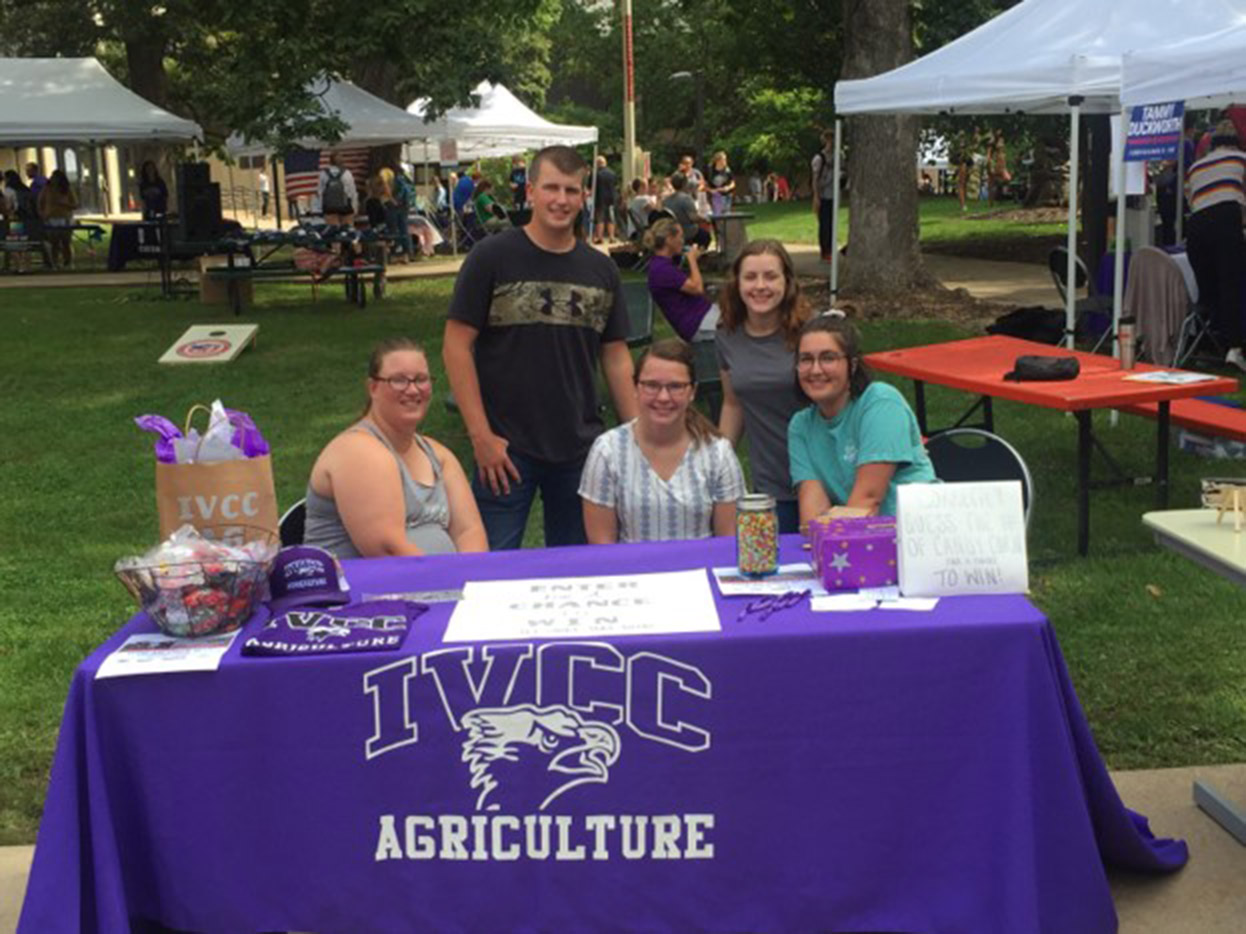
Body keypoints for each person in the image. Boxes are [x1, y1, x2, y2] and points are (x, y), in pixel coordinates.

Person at [442, 144, 637, 550]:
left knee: (577, 575)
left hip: (580, 448)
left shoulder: (601, 270)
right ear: (530, 191)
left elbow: (616, 358)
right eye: (551, 188)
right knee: (488, 572)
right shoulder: (490, 257)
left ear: (584, 197)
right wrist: (480, 436)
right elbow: (456, 346)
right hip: (504, 447)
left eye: (571, 190)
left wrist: (637, 435)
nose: (561, 200)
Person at [304, 337, 487, 559]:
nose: (412, 390)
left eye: (421, 379)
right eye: (399, 380)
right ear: (373, 388)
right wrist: (447, 581)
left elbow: (469, 531)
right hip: (371, 589)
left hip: (440, 587)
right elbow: (387, 550)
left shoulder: (438, 454)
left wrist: (470, 578)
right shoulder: (358, 451)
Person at [579, 339, 745, 543]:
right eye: (652, 385)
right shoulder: (607, 451)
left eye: (676, 386)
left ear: (692, 391)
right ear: (636, 387)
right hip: (630, 573)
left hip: (698, 570)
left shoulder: (718, 453)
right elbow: (601, 546)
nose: (663, 397)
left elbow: (727, 544)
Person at [788, 316, 935, 522]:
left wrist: (832, 540)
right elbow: (812, 514)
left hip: (920, 531)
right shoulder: (801, 426)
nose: (815, 370)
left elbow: (867, 502)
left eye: (828, 358)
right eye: (805, 359)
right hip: (859, 538)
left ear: (852, 365)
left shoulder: (880, 403)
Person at [715, 239, 809, 533]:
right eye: (750, 277)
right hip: (768, 481)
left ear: (787, 281)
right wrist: (717, 462)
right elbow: (733, 403)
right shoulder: (726, 335)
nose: (760, 286)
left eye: (770, 276)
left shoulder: (812, 332)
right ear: (737, 283)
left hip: (820, 476)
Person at [1185, 119, 1246, 372]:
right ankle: (1235, 347)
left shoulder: (1196, 167)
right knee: (1232, 284)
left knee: (1208, 289)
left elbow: (1191, 200)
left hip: (1197, 226)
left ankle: (1207, 341)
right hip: (1226, 219)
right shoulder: (1242, 160)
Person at [644, 217, 717, 341]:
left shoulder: (662, 264)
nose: (683, 241)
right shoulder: (661, 269)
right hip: (697, 324)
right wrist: (692, 260)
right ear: (669, 240)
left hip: (702, 316)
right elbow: (697, 288)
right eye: (680, 237)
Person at [37, 168, 77, 269]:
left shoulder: (67, 189)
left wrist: (64, 204)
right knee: (54, 242)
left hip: (65, 218)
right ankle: (54, 263)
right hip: (51, 218)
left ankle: (68, 262)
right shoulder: (47, 189)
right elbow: (40, 202)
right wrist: (43, 214)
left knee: (66, 242)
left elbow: (75, 204)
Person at [664, 172, 711, 249]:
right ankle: (696, 257)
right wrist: (705, 219)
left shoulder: (666, 201)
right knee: (706, 237)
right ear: (685, 184)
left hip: (672, 232)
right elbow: (693, 218)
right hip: (688, 232)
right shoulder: (686, 198)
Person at [811, 130, 837, 262]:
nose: (832, 142)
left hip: (834, 195)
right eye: (829, 139)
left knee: (833, 223)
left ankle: (831, 249)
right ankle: (825, 251)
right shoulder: (819, 158)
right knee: (824, 224)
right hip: (823, 195)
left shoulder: (839, 156)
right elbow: (815, 179)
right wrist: (816, 196)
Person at [318, 152, 357, 225]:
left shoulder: (323, 174)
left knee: (333, 230)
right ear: (342, 162)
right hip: (346, 206)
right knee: (347, 230)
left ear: (330, 161)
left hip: (329, 207)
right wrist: (354, 207)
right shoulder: (347, 173)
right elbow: (352, 192)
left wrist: (321, 208)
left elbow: (320, 192)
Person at [591, 155, 618, 243]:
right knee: (611, 218)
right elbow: (615, 185)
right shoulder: (612, 173)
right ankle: (611, 237)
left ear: (597, 163)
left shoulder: (595, 174)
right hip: (611, 199)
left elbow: (590, 187)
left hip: (599, 199)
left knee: (600, 218)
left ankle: (600, 237)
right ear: (605, 163)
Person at [706, 151, 735, 216]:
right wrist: (711, 190)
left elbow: (733, 183)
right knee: (718, 215)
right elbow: (704, 184)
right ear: (718, 160)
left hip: (727, 196)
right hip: (716, 196)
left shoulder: (727, 169)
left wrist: (728, 187)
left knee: (727, 215)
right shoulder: (710, 170)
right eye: (724, 159)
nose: (725, 161)